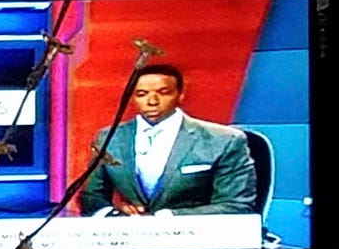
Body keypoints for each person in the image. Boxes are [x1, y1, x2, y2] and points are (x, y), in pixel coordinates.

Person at [80, 64, 257, 217]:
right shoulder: (109, 138)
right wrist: (116, 215)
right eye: (141, 94)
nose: (152, 101)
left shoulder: (223, 140)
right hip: (130, 241)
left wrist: (166, 218)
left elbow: (236, 206)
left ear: (180, 95)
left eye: (163, 92)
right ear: (132, 98)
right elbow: (91, 198)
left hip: (197, 244)